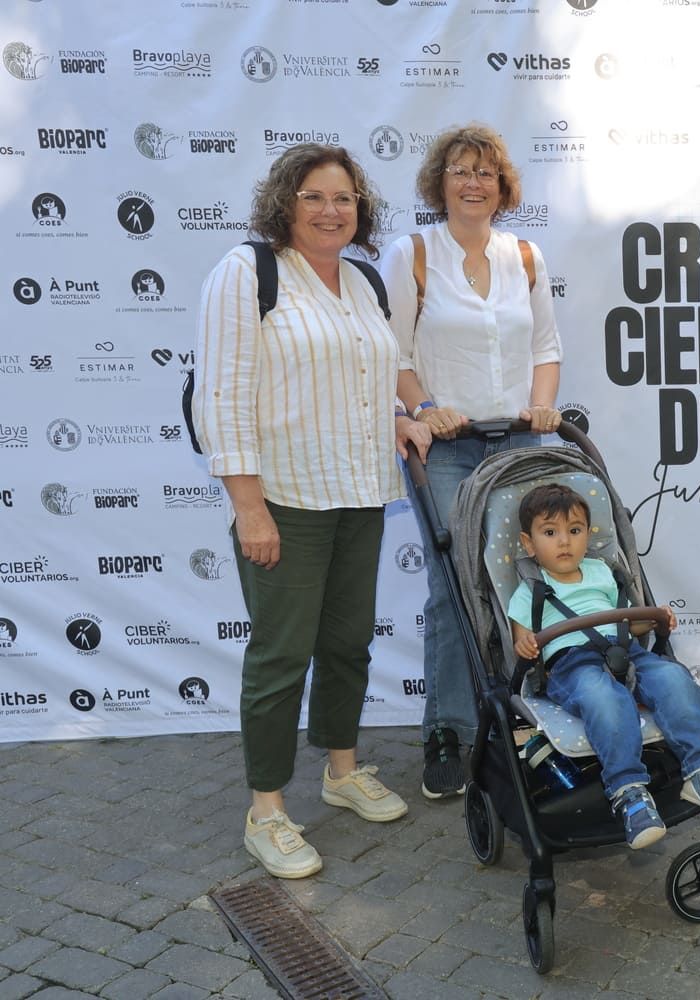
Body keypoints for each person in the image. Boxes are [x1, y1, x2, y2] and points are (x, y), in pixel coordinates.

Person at [194, 143, 430, 879]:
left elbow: (369, 376)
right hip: (286, 501)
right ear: (284, 204)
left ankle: (341, 770)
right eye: (314, 197)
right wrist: (249, 509)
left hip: (361, 493)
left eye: (345, 199)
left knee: (349, 644)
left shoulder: (362, 281)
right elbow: (223, 398)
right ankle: (266, 811)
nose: (332, 211)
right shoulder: (247, 272)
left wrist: (399, 418)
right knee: (279, 658)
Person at [379, 123, 564, 801]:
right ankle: (449, 734)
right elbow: (392, 352)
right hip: (447, 450)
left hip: (519, 444)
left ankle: (522, 724)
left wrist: (542, 408)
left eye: (485, 172)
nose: (473, 183)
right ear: (440, 182)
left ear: (502, 185)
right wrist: (425, 407)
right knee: (455, 591)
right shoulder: (414, 255)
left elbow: (545, 347)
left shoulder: (525, 255)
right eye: (460, 170)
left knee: (526, 587)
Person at [506, 484, 700, 849]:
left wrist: (653, 619)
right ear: (529, 543)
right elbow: (523, 644)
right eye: (550, 532)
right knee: (606, 698)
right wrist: (525, 643)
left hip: (628, 652)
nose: (564, 542)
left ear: (589, 533)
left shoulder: (604, 572)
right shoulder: (530, 590)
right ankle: (629, 792)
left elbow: (630, 622)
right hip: (572, 665)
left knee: (675, 679)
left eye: (574, 530)